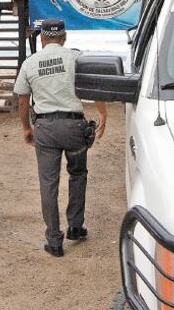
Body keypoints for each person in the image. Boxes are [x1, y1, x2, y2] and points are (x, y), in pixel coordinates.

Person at [13, 19, 106, 257]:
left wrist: (26, 128)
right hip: (74, 126)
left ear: (42, 38)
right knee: (77, 174)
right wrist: (103, 113)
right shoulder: (75, 57)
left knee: (48, 183)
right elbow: (93, 85)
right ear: (64, 38)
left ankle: (54, 241)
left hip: (45, 128)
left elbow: (23, 100)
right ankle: (75, 227)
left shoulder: (30, 63)